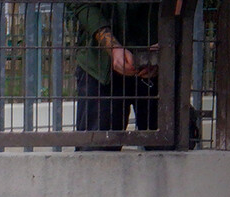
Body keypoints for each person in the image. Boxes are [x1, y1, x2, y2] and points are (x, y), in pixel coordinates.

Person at [67, 3, 160, 150]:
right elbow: (83, 5)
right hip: (99, 68)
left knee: (167, 149)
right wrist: (113, 48)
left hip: (156, 66)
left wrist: (164, 48)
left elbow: (179, 8)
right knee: (95, 153)